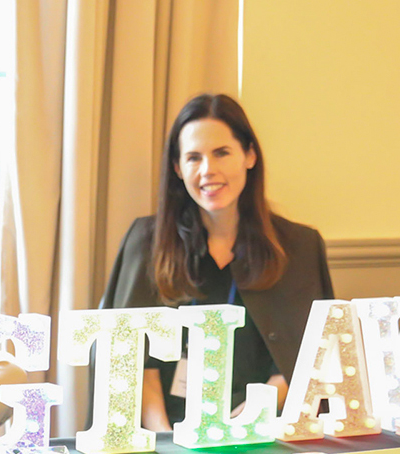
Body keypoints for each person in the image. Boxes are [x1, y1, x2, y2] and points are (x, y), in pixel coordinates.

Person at [100, 93, 334, 431]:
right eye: (194, 157)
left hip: (260, 432)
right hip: (165, 435)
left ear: (249, 155)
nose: (208, 170)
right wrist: (168, 441)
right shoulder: (146, 242)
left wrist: (241, 425)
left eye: (221, 153)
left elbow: (302, 361)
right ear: (178, 168)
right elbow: (134, 364)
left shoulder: (298, 246)